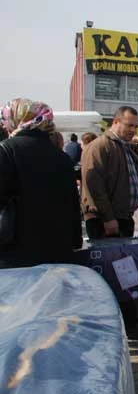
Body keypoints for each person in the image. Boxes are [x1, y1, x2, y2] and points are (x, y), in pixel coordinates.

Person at [0, 98, 82, 268]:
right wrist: (75, 241)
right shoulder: (62, 158)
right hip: (58, 250)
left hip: (16, 253)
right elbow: (73, 205)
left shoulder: (7, 150)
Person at [81, 106, 138, 239]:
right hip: (105, 221)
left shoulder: (122, 146)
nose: (133, 130)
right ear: (115, 122)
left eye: (135, 126)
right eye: (129, 125)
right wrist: (108, 218)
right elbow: (94, 186)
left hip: (121, 217)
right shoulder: (100, 146)